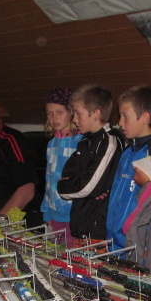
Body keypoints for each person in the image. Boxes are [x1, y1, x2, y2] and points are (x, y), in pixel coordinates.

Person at [106, 85, 151, 249]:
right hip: (114, 239)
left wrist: (148, 245)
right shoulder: (128, 151)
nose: (120, 122)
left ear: (145, 118)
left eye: (125, 116)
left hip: (138, 243)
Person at [58, 84, 123, 241]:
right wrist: (74, 183)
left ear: (96, 113)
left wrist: (62, 188)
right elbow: (67, 172)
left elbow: (88, 187)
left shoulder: (109, 141)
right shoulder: (85, 140)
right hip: (81, 222)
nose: (74, 119)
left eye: (78, 113)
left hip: (98, 230)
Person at [41, 88, 82, 247]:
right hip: (54, 213)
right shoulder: (51, 144)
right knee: (57, 253)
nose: (54, 118)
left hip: (73, 213)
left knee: (73, 256)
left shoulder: (80, 143)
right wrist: (46, 211)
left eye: (59, 112)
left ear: (71, 112)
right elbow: (49, 180)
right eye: (50, 113)